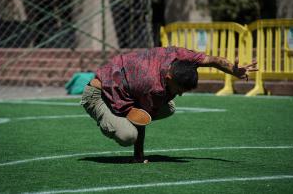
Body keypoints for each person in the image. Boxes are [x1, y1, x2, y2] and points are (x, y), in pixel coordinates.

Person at [80, 46, 258, 163]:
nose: (180, 94)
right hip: (98, 95)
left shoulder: (180, 56)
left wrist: (234, 71)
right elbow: (141, 118)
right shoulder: (153, 86)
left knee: (169, 107)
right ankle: (109, 115)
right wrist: (138, 156)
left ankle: (120, 111)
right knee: (128, 136)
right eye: (179, 89)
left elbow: (213, 60)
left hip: (125, 87)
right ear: (168, 78)